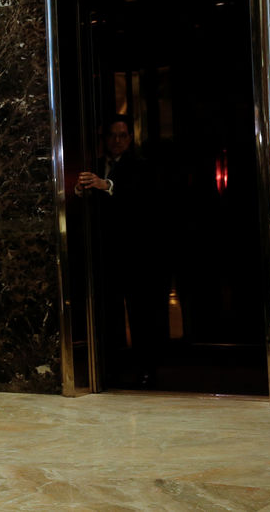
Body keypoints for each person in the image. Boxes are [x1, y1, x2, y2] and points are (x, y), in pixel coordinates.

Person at [75, 120, 157, 388]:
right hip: (104, 254)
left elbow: (136, 194)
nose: (117, 140)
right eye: (112, 135)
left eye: (122, 136)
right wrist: (79, 190)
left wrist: (105, 184)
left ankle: (146, 369)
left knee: (140, 314)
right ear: (104, 137)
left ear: (130, 138)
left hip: (135, 254)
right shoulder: (94, 164)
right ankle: (110, 370)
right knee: (107, 316)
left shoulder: (140, 165)